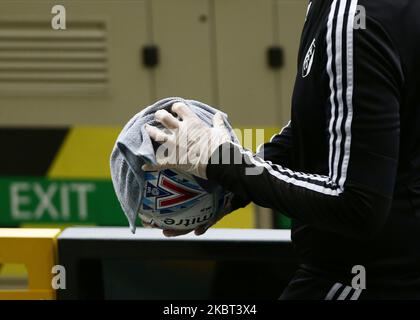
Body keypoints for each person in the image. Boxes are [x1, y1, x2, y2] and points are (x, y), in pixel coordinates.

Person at [144, 0, 420, 299]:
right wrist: (230, 188)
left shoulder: (351, 16)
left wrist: (221, 160)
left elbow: (355, 202)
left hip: (368, 279)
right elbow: (316, 129)